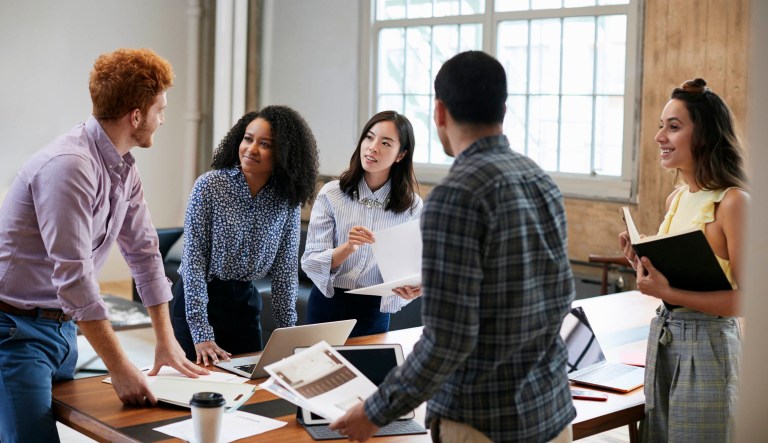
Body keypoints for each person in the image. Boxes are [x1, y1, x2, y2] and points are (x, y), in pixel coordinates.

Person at [330, 51, 576, 442]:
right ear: (504, 109)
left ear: (439, 112)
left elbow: (448, 339)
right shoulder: (539, 179)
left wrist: (375, 411)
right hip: (551, 410)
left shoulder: (456, 195)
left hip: (483, 421)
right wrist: (435, 284)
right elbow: (553, 293)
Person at [0, 48, 207, 442]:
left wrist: (165, 341)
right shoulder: (70, 166)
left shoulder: (122, 164)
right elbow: (75, 280)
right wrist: (120, 365)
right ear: (136, 116)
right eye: (160, 110)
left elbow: (145, 254)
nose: (162, 119)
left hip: (62, 330)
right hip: (15, 332)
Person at [619, 78, 748, 442]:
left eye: (673, 127)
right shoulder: (676, 200)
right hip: (665, 340)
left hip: (708, 348)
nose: (660, 136)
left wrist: (671, 293)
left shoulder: (734, 202)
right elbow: (677, 282)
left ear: (704, 135)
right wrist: (641, 264)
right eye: (661, 126)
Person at [170, 106, 319, 366]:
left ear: (284, 153)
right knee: (196, 388)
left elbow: (285, 271)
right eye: (248, 139)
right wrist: (202, 333)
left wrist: (288, 334)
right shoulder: (209, 186)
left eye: (265, 144)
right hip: (198, 301)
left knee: (250, 385)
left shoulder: (287, 201)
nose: (251, 149)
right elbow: (193, 263)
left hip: (244, 305)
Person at [301, 110, 423, 337]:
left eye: (385, 142)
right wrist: (347, 248)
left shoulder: (413, 206)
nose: (372, 147)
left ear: (400, 155)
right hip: (328, 305)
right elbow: (311, 262)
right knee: (319, 373)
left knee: (369, 372)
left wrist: (414, 289)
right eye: (369, 137)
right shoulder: (331, 194)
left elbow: (412, 269)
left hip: (373, 311)